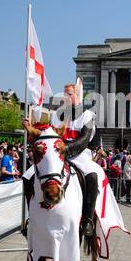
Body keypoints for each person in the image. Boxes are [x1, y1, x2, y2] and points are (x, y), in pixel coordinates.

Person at [48, 82, 99, 236]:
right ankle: (30, 217)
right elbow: (49, 136)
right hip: (58, 154)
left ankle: (88, 220)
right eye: (64, 94)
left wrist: (67, 150)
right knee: (30, 175)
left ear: (77, 95)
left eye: (69, 94)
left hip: (79, 155)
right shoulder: (56, 116)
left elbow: (84, 139)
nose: (66, 97)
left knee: (92, 176)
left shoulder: (88, 115)